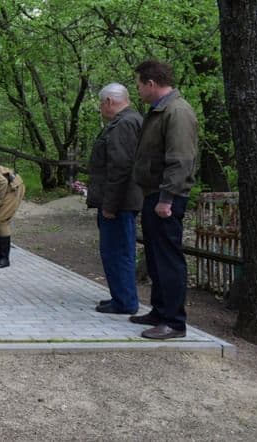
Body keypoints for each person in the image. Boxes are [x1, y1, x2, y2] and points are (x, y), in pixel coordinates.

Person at [129, 60, 198, 340]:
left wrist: (167, 198)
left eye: (139, 84)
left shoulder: (177, 111)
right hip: (153, 193)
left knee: (168, 258)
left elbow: (181, 159)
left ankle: (174, 321)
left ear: (151, 83)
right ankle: (159, 311)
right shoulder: (159, 110)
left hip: (166, 196)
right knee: (156, 257)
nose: (138, 90)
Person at [88, 83, 143, 315]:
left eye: (101, 104)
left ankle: (125, 301)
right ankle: (120, 296)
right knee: (116, 250)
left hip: (119, 204)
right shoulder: (130, 121)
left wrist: (110, 205)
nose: (101, 109)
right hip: (121, 201)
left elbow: (120, 168)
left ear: (109, 102)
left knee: (117, 251)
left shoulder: (124, 124)